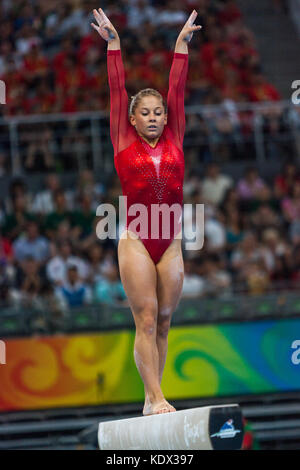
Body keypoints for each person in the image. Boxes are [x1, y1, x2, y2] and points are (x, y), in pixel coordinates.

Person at [91, 7, 202, 415]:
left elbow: (178, 89)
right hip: (137, 239)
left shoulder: (176, 137)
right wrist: (114, 45)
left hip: (169, 242)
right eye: (146, 113)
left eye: (159, 113)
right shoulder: (122, 138)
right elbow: (117, 90)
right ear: (133, 120)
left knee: (166, 321)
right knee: (146, 319)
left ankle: (152, 393)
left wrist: (181, 46)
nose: (154, 117)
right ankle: (156, 397)